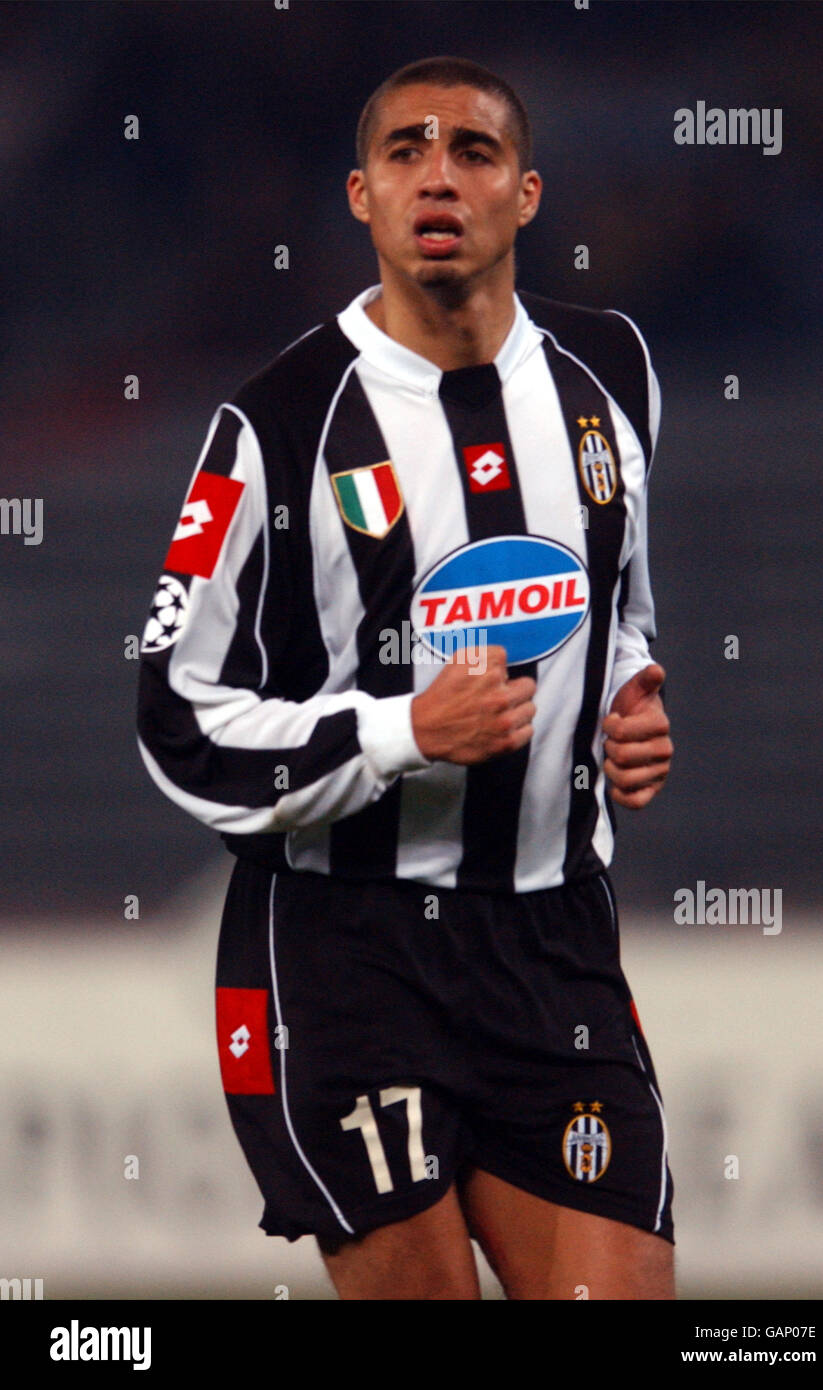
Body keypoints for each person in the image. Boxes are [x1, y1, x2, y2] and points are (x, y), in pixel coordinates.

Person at [137, 55, 675, 1301]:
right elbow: (176, 717)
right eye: (404, 153)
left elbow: (620, 609)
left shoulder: (613, 375)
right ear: (361, 198)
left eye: (473, 152)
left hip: (555, 945)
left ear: (526, 194)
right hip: (349, 957)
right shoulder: (275, 424)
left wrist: (629, 702)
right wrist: (398, 734)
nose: (439, 176)